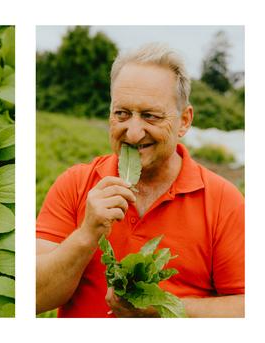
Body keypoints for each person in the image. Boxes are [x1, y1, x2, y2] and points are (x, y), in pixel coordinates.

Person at [36, 43, 244, 318]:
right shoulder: (75, 183)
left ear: (184, 121)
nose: (133, 134)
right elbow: (34, 297)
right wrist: (87, 234)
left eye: (150, 116)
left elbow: (246, 309)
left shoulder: (224, 202)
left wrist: (161, 308)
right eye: (122, 113)